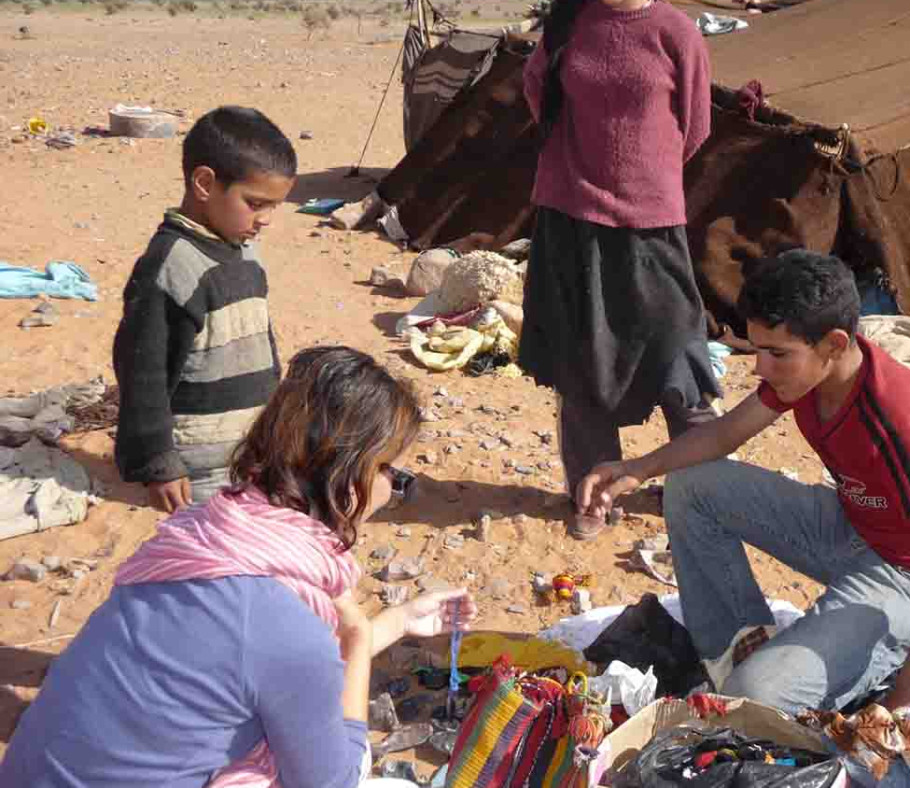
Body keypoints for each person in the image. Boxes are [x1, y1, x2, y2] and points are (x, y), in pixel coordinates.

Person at [0, 347, 477, 788]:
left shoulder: (200, 537)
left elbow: (262, 662)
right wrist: (355, 635)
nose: (391, 490)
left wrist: (400, 621)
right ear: (349, 474)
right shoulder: (282, 624)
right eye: (392, 473)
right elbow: (333, 778)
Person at [577, 250, 910, 715]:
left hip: (909, 577)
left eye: (777, 353)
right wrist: (636, 469)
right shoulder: (809, 376)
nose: (760, 368)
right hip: (853, 525)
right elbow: (725, 434)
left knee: (755, 698)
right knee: (690, 485)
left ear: (834, 344)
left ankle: (864, 658)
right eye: (758, 349)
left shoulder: (897, 421)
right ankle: (735, 653)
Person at [519, 0, 721, 540]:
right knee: (581, 358)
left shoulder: (675, 32)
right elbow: (538, 92)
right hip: (570, 217)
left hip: (651, 223)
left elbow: (695, 126)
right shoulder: (568, 21)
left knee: (678, 351)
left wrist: (642, 177)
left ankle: (704, 489)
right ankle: (592, 492)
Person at [113, 105, 295, 512]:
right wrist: (158, 462)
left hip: (248, 450)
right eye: (255, 203)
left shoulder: (246, 252)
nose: (266, 220)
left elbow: (257, 338)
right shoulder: (170, 267)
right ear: (204, 183)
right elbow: (142, 373)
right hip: (197, 465)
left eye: (274, 207)